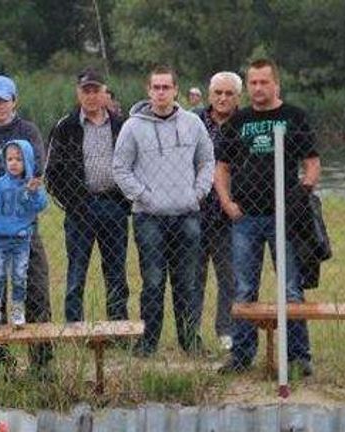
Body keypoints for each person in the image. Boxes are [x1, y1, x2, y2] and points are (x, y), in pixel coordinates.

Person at [214, 57, 320, 376]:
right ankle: (241, 355)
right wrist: (226, 202)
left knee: (291, 288)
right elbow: (222, 167)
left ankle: (299, 356)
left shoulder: (294, 117)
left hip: (284, 219)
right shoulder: (238, 121)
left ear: (276, 84)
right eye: (253, 82)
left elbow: (312, 163)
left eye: (264, 82)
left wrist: (302, 192)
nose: (258, 88)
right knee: (244, 288)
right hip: (245, 219)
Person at [112, 64, 214, 356]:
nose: (160, 92)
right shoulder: (133, 127)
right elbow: (120, 168)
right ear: (148, 90)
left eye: (166, 87)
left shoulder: (193, 124)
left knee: (187, 283)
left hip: (187, 215)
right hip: (149, 218)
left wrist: (198, 192)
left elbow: (207, 160)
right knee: (153, 283)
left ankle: (190, 341)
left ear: (175, 90)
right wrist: (144, 196)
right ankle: (148, 343)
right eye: (155, 87)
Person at [0, 75, 53, 370]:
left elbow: (36, 168)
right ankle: (2, 363)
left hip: (25, 230)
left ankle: (42, 363)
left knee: (36, 290)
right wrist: (11, 172)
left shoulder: (27, 130)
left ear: (14, 101)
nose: (0, 106)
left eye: (5, 100)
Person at [45, 67, 129, 323]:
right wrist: (73, 203)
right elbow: (52, 173)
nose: (91, 96)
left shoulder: (122, 126)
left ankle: (117, 325)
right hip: (80, 210)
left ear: (105, 93)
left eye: (96, 90)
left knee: (116, 271)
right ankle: (74, 325)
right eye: (86, 91)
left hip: (114, 205)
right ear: (78, 93)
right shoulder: (65, 127)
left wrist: (126, 202)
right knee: (76, 271)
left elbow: (135, 164)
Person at [0, 140, 47, 330]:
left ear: (27, 161)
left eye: (18, 159)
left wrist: (33, 193)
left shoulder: (30, 184)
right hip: (0, 240)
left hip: (21, 240)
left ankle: (17, 309)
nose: (13, 163)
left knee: (19, 276)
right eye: (9, 159)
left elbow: (40, 205)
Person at [196, 71, 243, 351]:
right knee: (193, 276)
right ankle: (191, 332)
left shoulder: (245, 123)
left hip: (230, 213)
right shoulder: (194, 121)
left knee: (229, 276)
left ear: (238, 96)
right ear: (209, 94)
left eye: (229, 93)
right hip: (196, 212)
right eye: (218, 93)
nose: (223, 98)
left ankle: (226, 330)